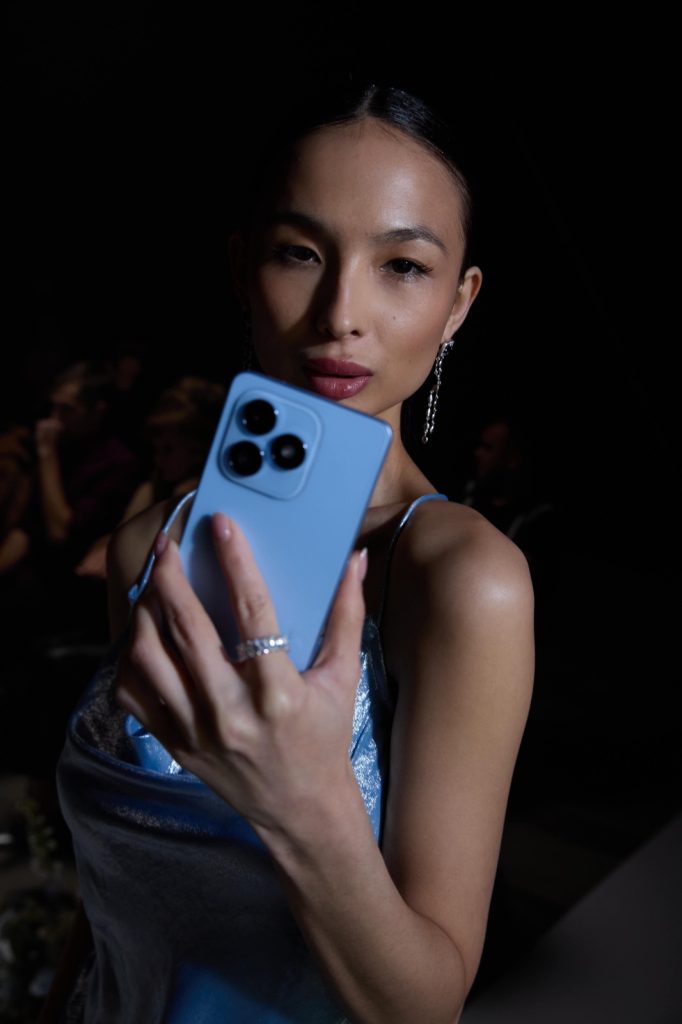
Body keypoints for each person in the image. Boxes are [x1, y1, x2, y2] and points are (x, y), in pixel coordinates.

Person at [47, 81, 534, 1023]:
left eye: (403, 266)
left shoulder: (460, 580)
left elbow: (425, 1006)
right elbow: (107, 908)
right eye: (300, 253)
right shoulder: (151, 548)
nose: (340, 313)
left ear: (459, 303)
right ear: (243, 268)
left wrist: (300, 799)